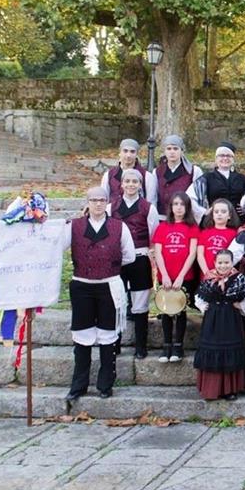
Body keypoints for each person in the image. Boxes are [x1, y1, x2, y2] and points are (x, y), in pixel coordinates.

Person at [63, 186, 136, 402]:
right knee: (82, 337)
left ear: (107, 203)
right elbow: (55, 246)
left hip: (109, 286)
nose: (97, 204)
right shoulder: (74, 226)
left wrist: (107, 265)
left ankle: (105, 384)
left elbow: (130, 256)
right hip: (82, 286)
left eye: (101, 200)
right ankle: (79, 385)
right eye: (93, 200)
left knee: (107, 336)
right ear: (87, 202)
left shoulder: (119, 227)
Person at [107, 168, 159, 359]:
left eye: (134, 182)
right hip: (117, 260)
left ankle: (141, 346)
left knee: (140, 302)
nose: (130, 185)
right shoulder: (111, 206)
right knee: (117, 301)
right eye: (127, 181)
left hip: (140, 258)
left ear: (140, 185)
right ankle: (115, 342)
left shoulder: (148, 208)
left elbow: (153, 234)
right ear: (121, 184)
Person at [194, 249, 245, 401]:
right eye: (220, 262)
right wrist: (203, 306)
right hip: (213, 320)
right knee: (213, 349)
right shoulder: (209, 278)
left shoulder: (239, 278)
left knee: (229, 349)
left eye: (227, 262)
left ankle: (230, 389)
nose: (223, 266)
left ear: (232, 263)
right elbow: (199, 296)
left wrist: (241, 305)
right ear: (214, 263)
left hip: (231, 319)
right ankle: (211, 389)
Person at [152, 191, 199, 363]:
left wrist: (180, 276)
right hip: (165, 276)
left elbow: (192, 253)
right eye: (175, 204)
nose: (178, 208)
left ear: (187, 207)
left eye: (182, 204)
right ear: (171, 207)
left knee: (179, 311)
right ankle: (166, 346)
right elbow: (158, 252)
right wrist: (164, 274)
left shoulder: (192, 227)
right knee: (166, 311)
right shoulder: (163, 227)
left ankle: (178, 347)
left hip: (183, 277)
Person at [188, 141, 245, 221]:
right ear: (216, 159)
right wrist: (203, 211)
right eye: (221, 155)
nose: (225, 158)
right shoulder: (207, 178)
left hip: (237, 222)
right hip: (214, 222)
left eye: (229, 156)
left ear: (233, 159)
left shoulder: (242, 179)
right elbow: (190, 196)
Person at [146, 135, 203, 216]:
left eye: (175, 149)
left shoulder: (194, 171)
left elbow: (199, 199)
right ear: (164, 151)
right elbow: (153, 198)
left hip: (185, 219)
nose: (172, 152)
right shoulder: (157, 172)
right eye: (169, 149)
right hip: (163, 218)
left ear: (182, 151)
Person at [196, 198, 241, 273]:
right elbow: (200, 255)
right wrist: (207, 273)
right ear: (212, 215)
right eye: (216, 212)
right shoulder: (204, 233)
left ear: (229, 215)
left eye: (223, 212)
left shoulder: (234, 234)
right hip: (206, 275)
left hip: (225, 275)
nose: (219, 214)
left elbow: (234, 256)